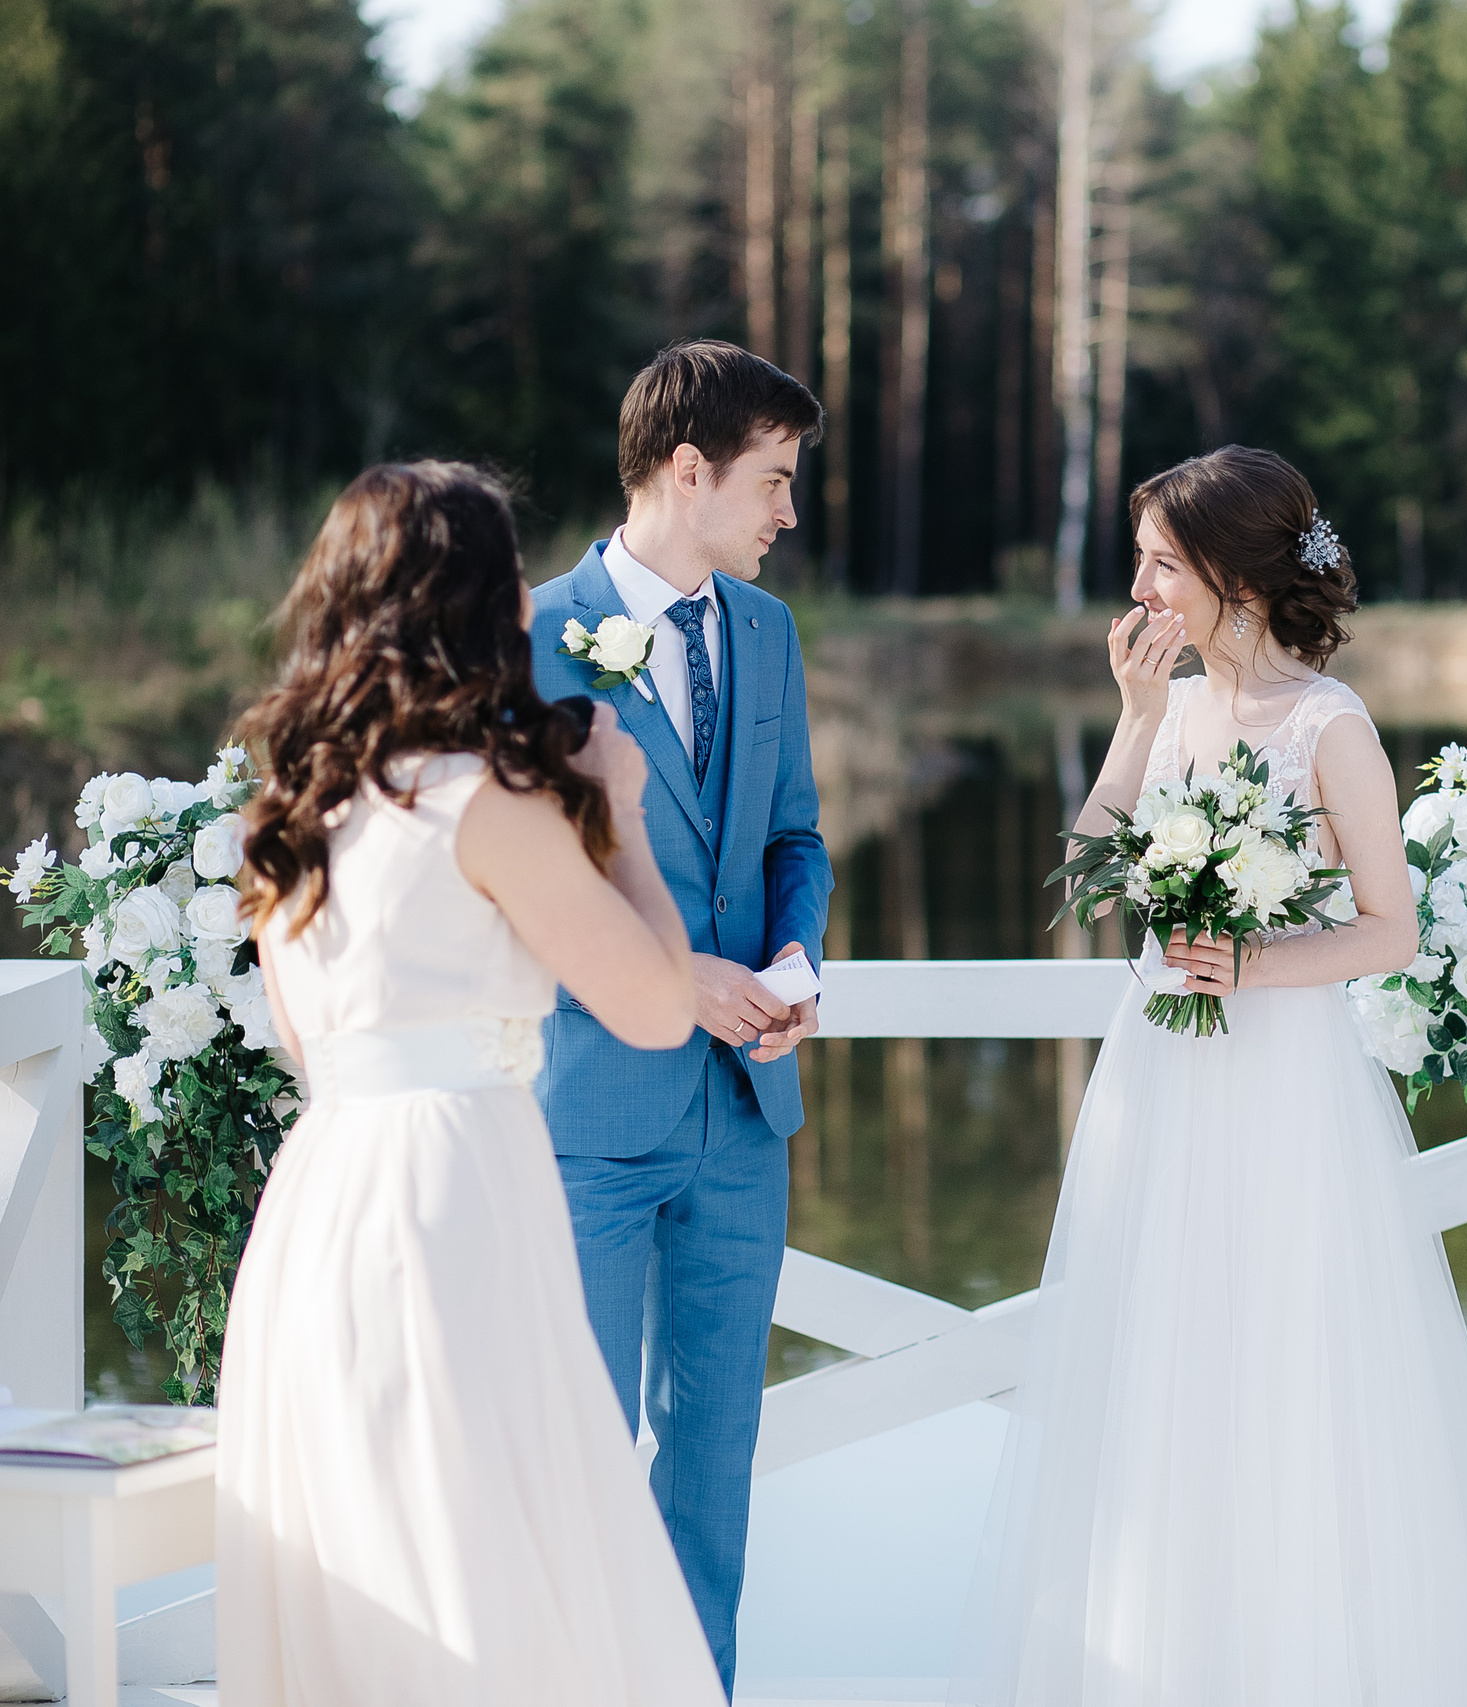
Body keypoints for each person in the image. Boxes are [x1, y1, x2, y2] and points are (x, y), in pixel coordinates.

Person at [954, 446, 1467, 1706]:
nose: (1141, 589)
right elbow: (1090, 872)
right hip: (1159, 1079)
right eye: (1143, 563)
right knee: (1161, 1365)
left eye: (1162, 564)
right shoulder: (1176, 710)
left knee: (1290, 1364)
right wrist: (1137, 719)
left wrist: (1250, 966)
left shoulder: (1331, 725)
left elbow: (1391, 929)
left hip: (1282, 1091)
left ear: (1235, 579)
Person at [220, 461, 724, 1706]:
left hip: (320, 1199)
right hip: (448, 1198)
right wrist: (624, 814)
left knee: (370, 1536)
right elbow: (660, 1009)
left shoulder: (293, 811)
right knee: (486, 1527)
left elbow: (302, 1042)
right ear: (483, 607)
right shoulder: (484, 803)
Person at [527, 339, 833, 1693]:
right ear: (687, 469)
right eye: (772, 481)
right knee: (573, 1451)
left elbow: (795, 836)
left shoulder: (769, 635)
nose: (787, 511)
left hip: (742, 1118)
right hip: (587, 1109)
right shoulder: (528, 633)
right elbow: (512, 887)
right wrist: (668, 982)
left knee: (714, 1467)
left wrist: (795, 954)